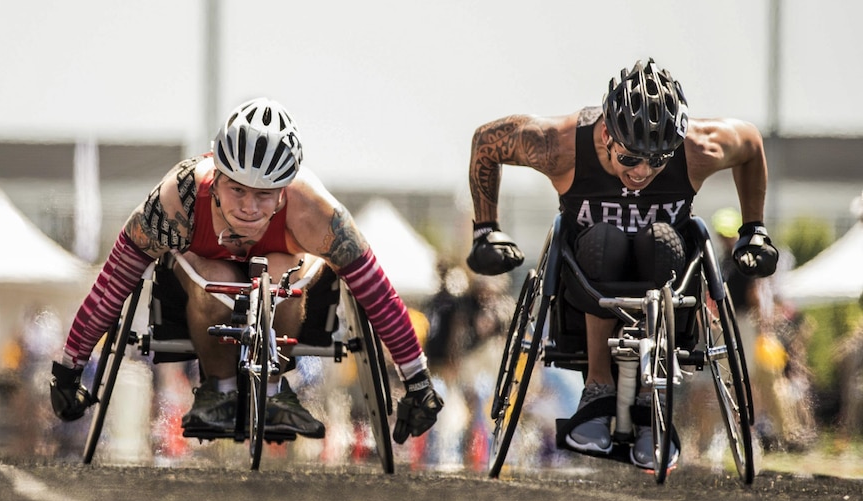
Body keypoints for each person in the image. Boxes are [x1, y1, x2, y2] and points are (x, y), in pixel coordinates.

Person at [50, 97, 443, 444]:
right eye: (237, 190)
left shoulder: (314, 211)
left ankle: (273, 390)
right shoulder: (176, 202)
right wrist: (68, 370)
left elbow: (378, 294)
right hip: (200, 286)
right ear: (216, 177)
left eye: (264, 195)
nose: (249, 208)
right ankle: (218, 389)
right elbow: (112, 285)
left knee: (280, 272)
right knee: (215, 275)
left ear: (285, 190)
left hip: (284, 277)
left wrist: (417, 381)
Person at [465, 58, 779, 469]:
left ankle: (654, 398)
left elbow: (751, 144)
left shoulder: (697, 147)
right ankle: (598, 386)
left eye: (658, 160)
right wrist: (486, 229)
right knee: (603, 237)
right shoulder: (561, 144)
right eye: (631, 159)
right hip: (587, 283)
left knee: (662, 239)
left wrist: (754, 228)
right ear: (607, 134)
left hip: (667, 283)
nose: (643, 172)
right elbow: (487, 142)